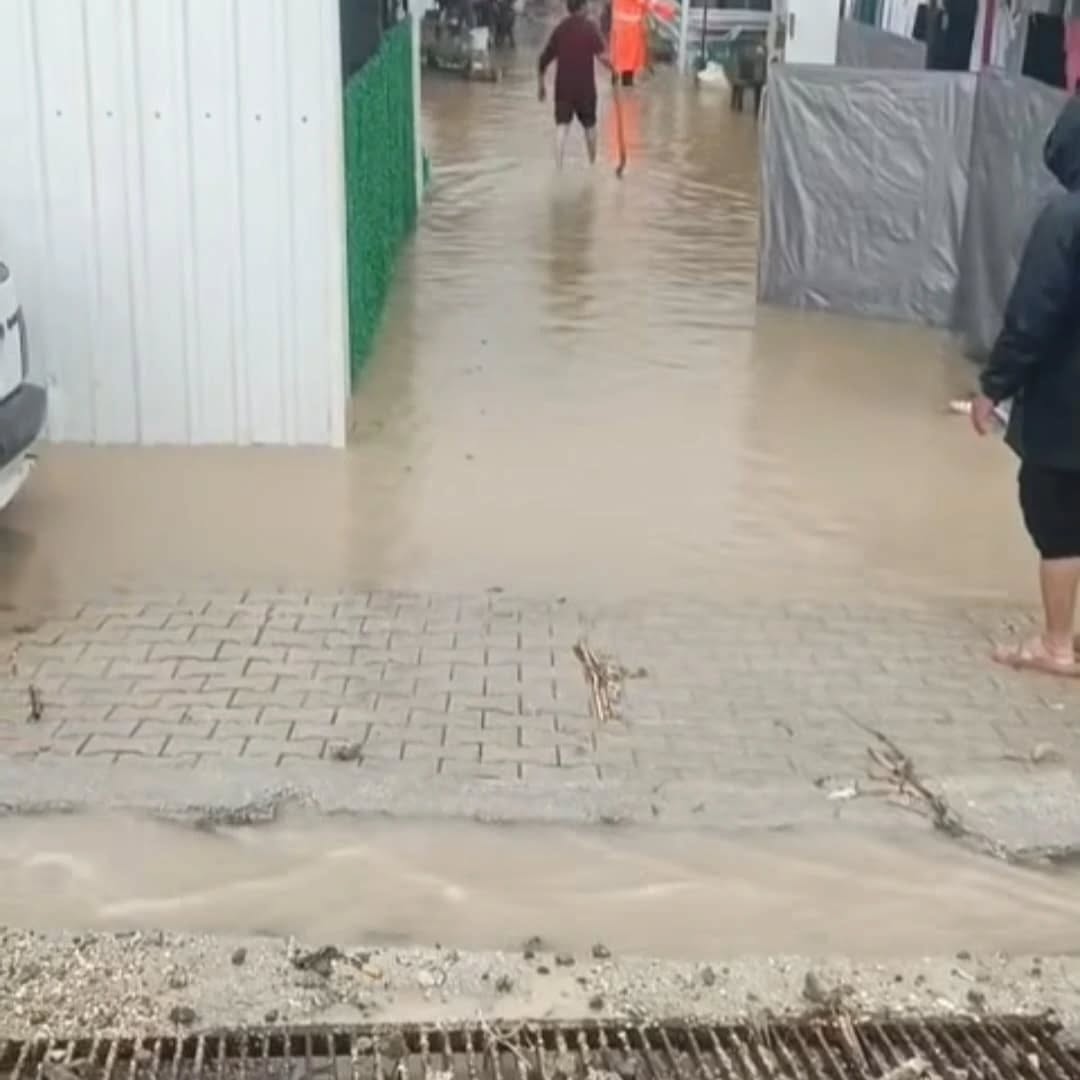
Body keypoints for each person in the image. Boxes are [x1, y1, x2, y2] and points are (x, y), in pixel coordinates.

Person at [972, 97, 1080, 677]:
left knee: (1055, 517)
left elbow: (1032, 315)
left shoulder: (1065, 219)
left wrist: (994, 386)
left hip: (1066, 406)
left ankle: (1056, 645)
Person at [538, 0, 611, 167]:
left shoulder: (560, 29)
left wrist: (541, 85)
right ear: (582, 7)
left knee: (561, 127)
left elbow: (543, 59)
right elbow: (602, 57)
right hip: (585, 89)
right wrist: (614, 70)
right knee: (590, 126)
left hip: (563, 88)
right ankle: (592, 164)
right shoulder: (590, 28)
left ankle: (558, 167)